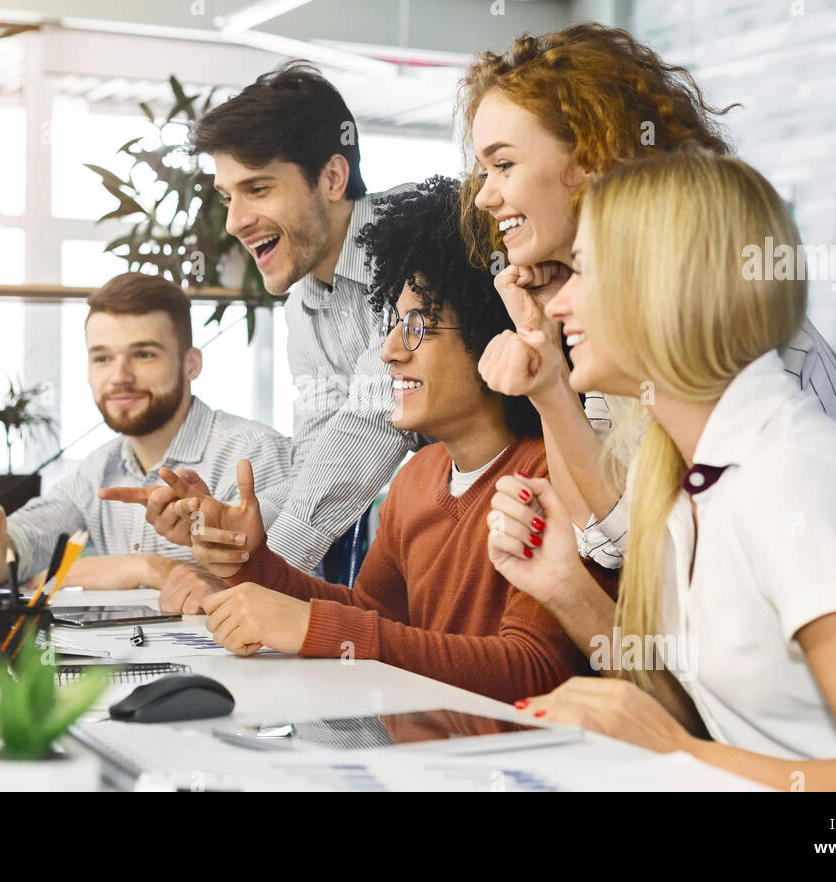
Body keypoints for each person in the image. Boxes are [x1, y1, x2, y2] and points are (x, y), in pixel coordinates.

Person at [487, 151, 836, 790]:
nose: (560, 303)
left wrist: (674, 752)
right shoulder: (689, 478)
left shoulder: (794, 482)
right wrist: (565, 583)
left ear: (666, 287)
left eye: (584, 271)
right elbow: (703, 718)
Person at [464, 24, 836, 570]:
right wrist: (549, 371)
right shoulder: (614, 315)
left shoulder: (698, 302)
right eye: (483, 170)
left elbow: (638, 541)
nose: (485, 195)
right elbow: (605, 542)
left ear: (587, 156)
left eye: (503, 164)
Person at [133, 177, 590, 703]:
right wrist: (251, 564)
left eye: (417, 325)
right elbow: (374, 618)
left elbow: (532, 670)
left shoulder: (553, 472)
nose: (389, 351)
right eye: (394, 323)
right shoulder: (419, 477)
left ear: (489, 331)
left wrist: (313, 627)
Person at [182, 61, 417, 579]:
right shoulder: (305, 304)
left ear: (333, 177)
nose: (235, 221)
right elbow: (317, 455)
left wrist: (268, 570)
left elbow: (376, 420)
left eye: (258, 189)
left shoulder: (413, 238)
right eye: (228, 196)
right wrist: (239, 525)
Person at [0, 272, 292, 590]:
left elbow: (286, 589)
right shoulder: (99, 468)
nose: (119, 377)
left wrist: (147, 568)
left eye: (144, 354)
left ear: (191, 364)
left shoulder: (254, 454)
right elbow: (32, 537)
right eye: (102, 359)